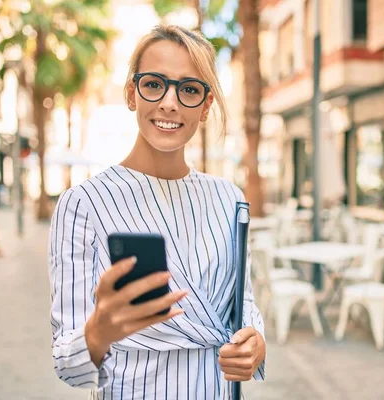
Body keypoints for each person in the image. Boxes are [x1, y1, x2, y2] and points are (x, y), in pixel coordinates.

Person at [48, 25, 266, 399]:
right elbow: (67, 364)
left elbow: (242, 304)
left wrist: (255, 343)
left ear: (206, 106)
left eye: (189, 90)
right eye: (154, 84)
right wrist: (99, 330)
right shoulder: (84, 203)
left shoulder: (229, 199)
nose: (170, 102)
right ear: (132, 94)